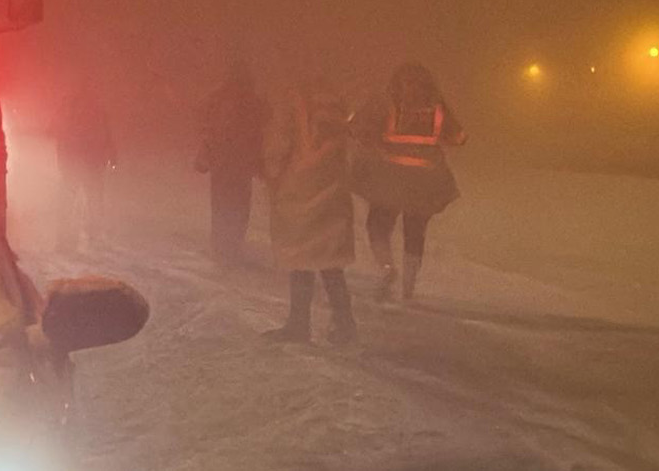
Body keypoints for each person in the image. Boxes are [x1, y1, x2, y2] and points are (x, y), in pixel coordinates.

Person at [351, 62, 467, 302]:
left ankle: (386, 267)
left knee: (378, 226)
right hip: (427, 180)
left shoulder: (385, 102)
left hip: (389, 176)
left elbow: (359, 128)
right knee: (415, 233)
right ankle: (408, 289)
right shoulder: (437, 106)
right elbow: (458, 136)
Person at [261, 76, 357, 344]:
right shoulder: (336, 102)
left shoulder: (293, 98)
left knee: (300, 258)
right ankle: (345, 324)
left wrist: (271, 172)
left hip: (299, 189)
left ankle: (298, 324)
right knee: (330, 261)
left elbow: (279, 143)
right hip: (332, 188)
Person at [195, 62, 269, 265]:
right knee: (240, 205)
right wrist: (259, 162)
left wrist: (206, 155)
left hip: (222, 163)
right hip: (241, 164)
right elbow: (259, 133)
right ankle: (233, 245)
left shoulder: (218, 98)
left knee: (220, 205)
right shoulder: (252, 102)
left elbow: (208, 128)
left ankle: (222, 247)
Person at [53, 77, 117, 251]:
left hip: (78, 161)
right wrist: (111, 155)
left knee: (71, 201)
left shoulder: (71, 109)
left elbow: (61, 135)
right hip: (91, 161)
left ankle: (66, 239)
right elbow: (106, 133)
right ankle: (90, 238)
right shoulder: (95, 109)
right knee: (93, 200)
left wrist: (63, 160)